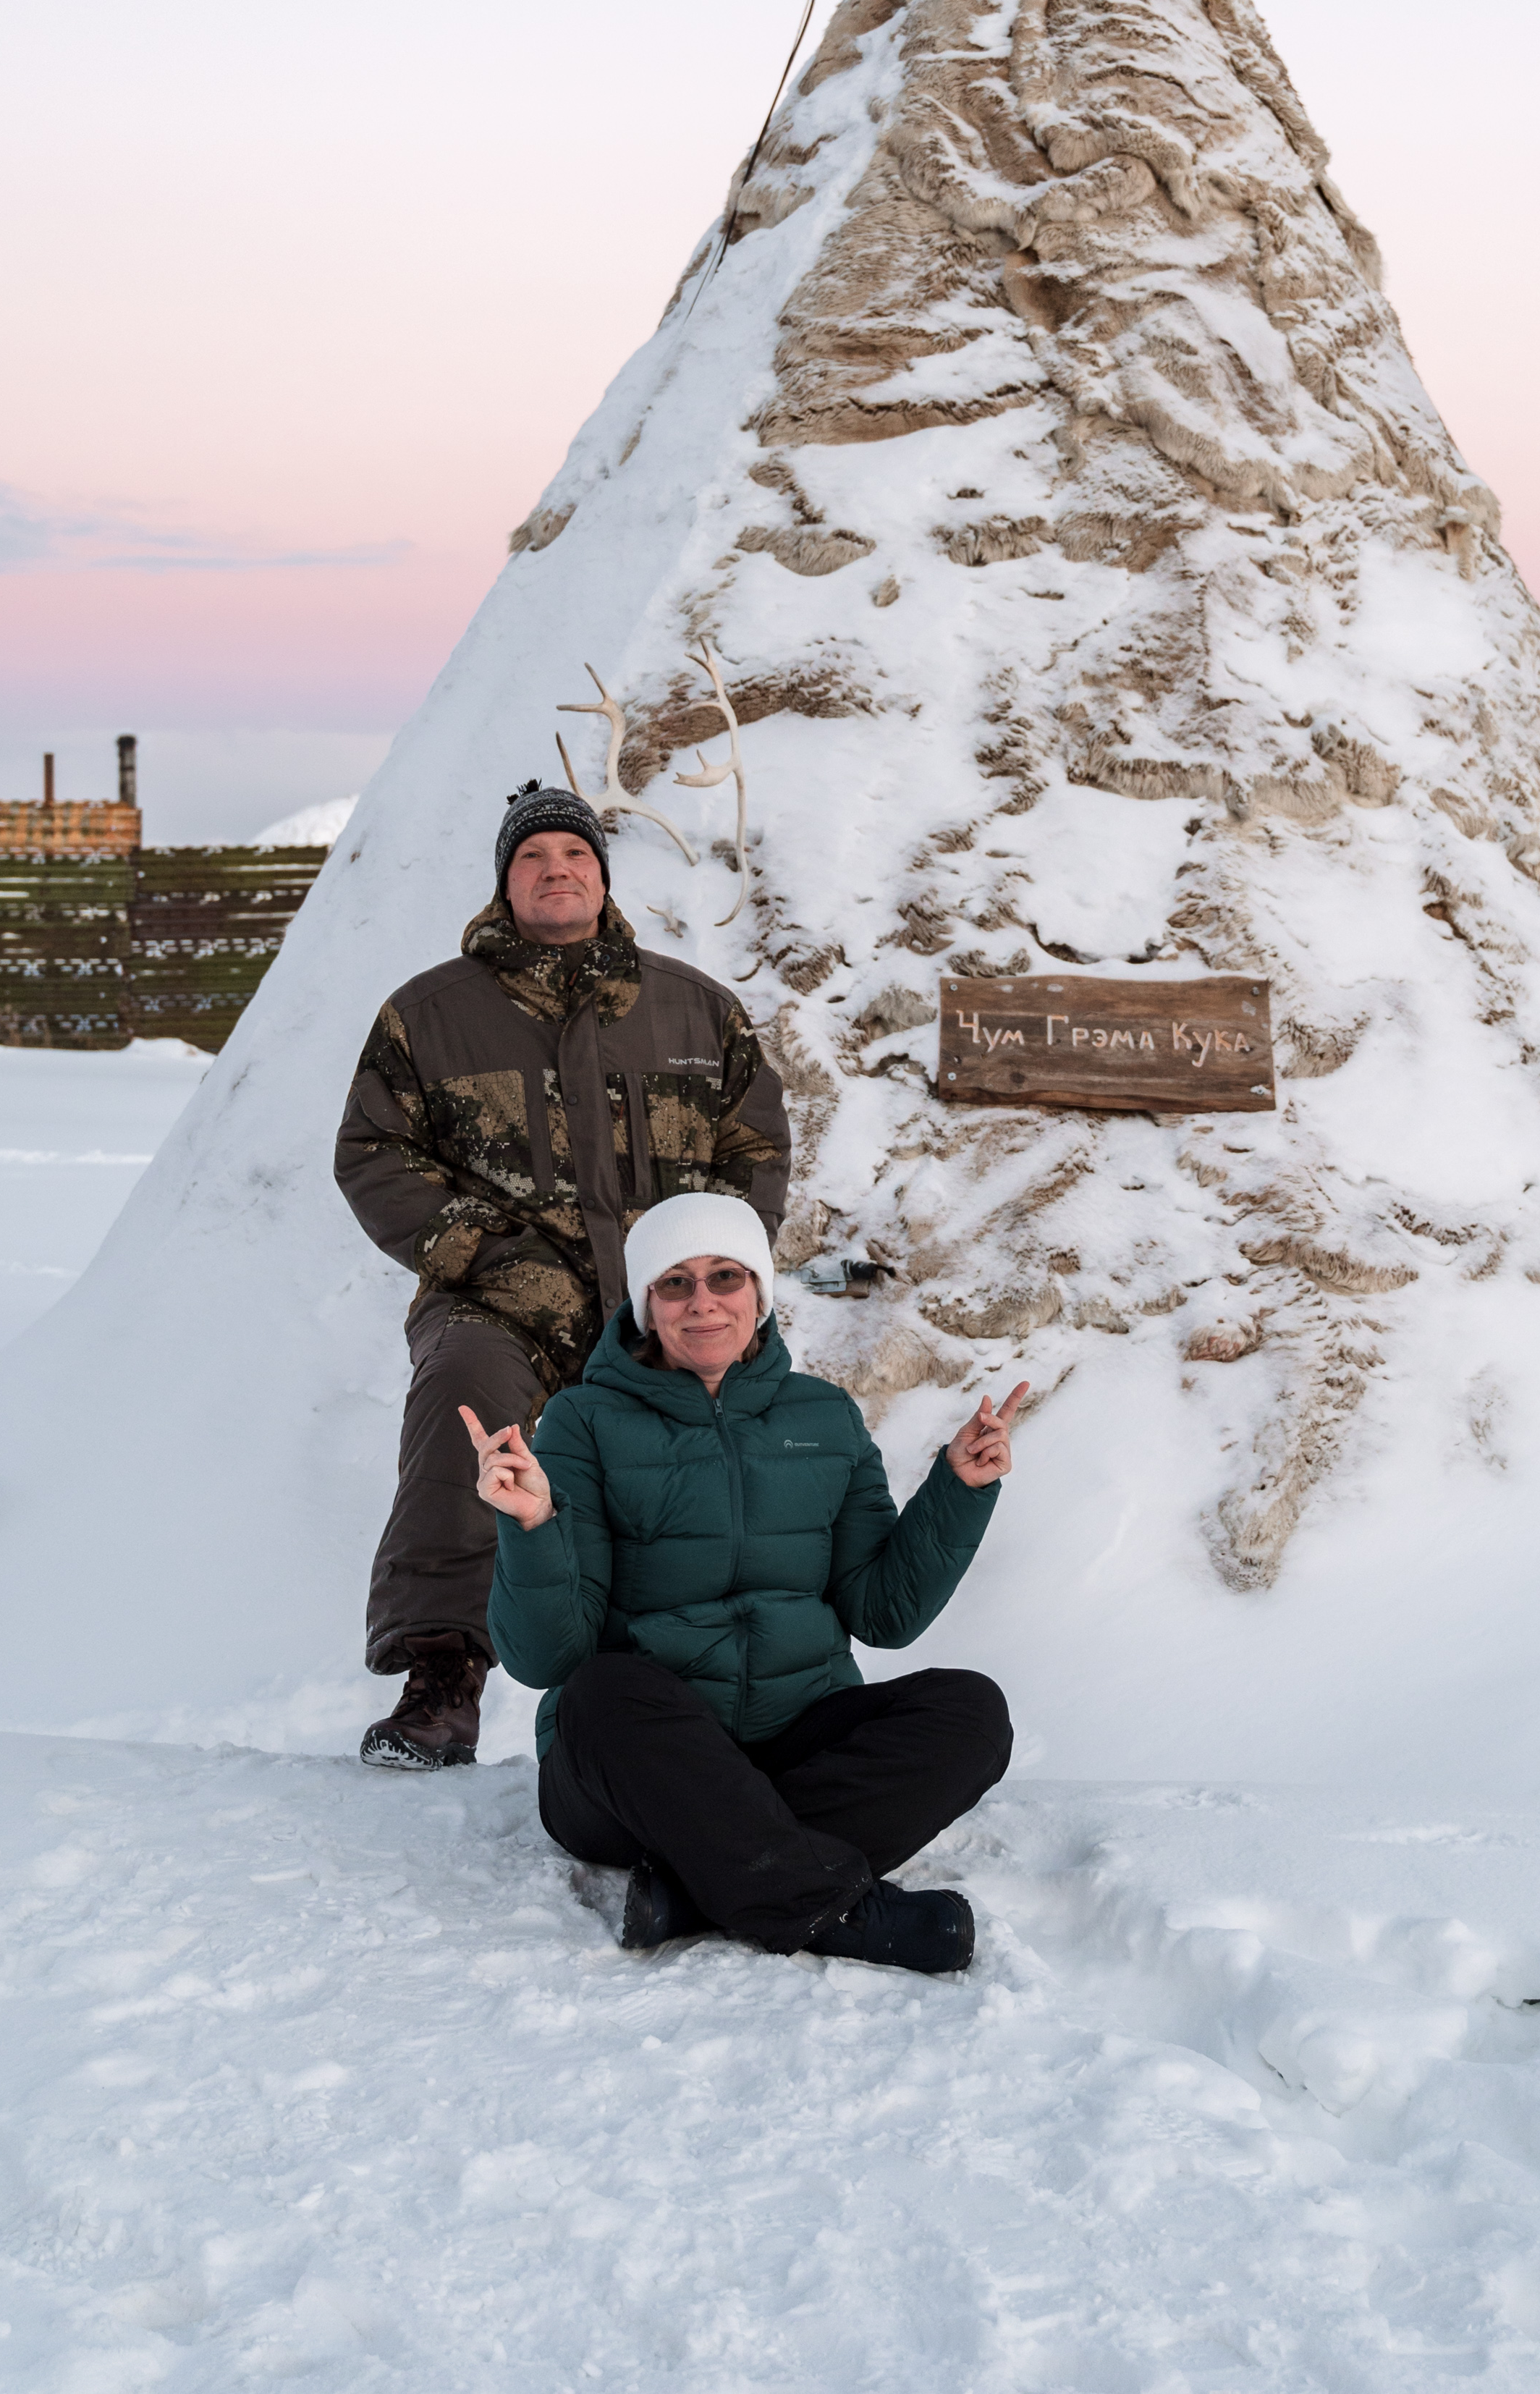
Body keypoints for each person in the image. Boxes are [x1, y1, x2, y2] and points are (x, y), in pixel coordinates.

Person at [334, 779, 789, 1771]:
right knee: (464, 1395)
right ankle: (444, 1676)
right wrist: (489, 1255)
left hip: (658, 1301)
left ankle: (728, 1686)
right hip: (497, 1297)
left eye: (574, 856)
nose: (557, 872)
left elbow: (752, 1151)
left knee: (723, 1426)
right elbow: (374, 1155)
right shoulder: (431, 1013)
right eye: (534, 859)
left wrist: (706, 1284)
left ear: (603, 876)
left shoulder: (695, 1010)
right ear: (506, 884)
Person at [464, 1192, 1024, 1975]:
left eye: (725, 1276)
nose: (703, 1302)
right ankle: (838, 1911)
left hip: (794, 1741)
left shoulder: (824, 1417)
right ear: (645, 1305)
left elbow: (883, 1613)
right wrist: (531, 1526)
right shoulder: (583, 1421)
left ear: (759, 1295)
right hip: (641, 1774)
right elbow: (546, 1659)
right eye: (674, 1283)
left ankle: (707, 1884)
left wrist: (956, 1493)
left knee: (970, 1711)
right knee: (601, 1690)